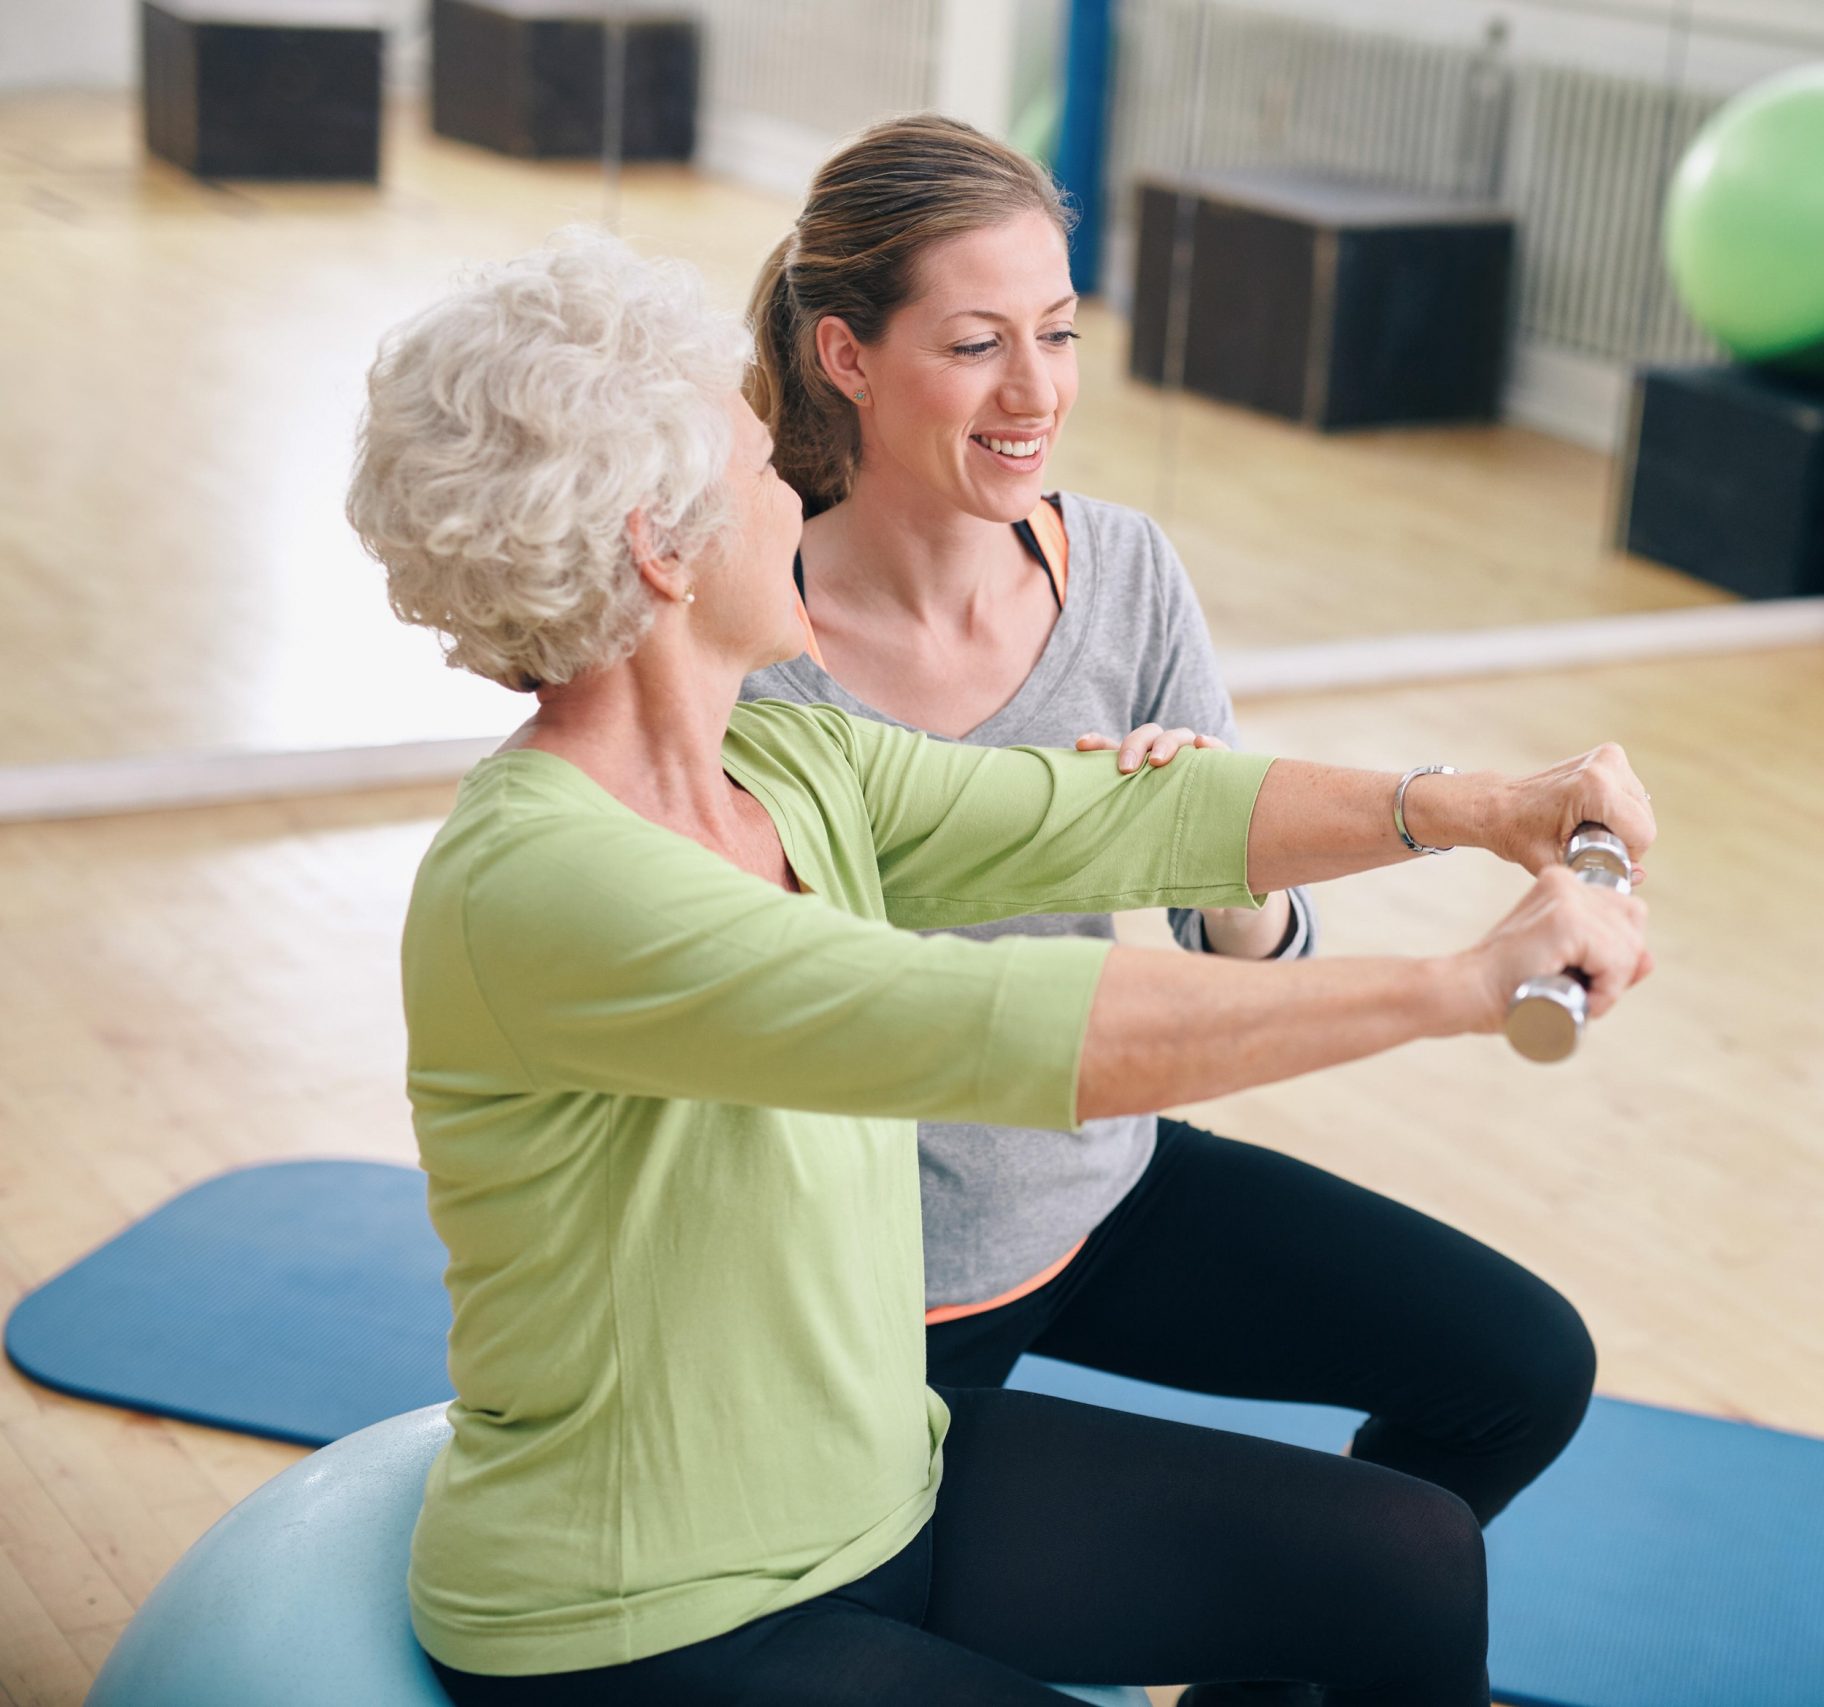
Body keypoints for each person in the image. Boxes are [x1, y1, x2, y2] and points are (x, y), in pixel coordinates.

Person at [346, 231, 1653, 1706]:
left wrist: (1491, 807)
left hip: (885, 1473)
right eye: (769, 469)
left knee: (1404, 1556)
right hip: (661, 1602)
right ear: (662, 543)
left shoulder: (783, 759)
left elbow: (1127, 809)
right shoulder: (545, 884)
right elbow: (987, 1023)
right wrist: (1459, 989)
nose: (798, 490)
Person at [742, 118, 1604, 1706]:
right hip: (879, 1288)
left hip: (1098, 1188)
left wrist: (1216, 854)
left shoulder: (1124, 571)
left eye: (1060, 332)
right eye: (979, 343)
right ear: (848, 355)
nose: (1037, 391)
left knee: (1523, 1372)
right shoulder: (754, 648)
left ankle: (1257, 1662)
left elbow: (1252, 953)